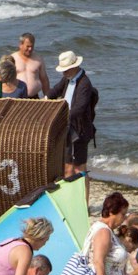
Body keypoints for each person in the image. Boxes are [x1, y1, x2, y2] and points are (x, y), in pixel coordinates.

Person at [56, 192, 129, 275]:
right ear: (111, 212)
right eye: (122, 214)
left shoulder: (104, 229)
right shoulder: (103, 231)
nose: (124, 219)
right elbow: (98, 261)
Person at [56, 51, 97, 179]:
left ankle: (83, 198)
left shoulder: (85, 83)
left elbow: (79, 108)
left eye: (66, 70)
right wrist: (44, 100)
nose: (64, 72)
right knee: (67, 168)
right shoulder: (67, 79)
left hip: (79, 131)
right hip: (67, 128)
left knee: (79, 169)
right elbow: (55, 91)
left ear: (74, 67)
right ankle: (70, 198)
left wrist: (60, 118)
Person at [10, 34, 51, 99]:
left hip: (34, 97)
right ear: (21, 45)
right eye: (28, 46)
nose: (30, 49)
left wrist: (47, 97)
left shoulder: (38, 59)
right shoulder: (12, 58)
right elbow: (5, 79)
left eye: (32, 46)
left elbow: (44, 80)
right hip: (17, 97)